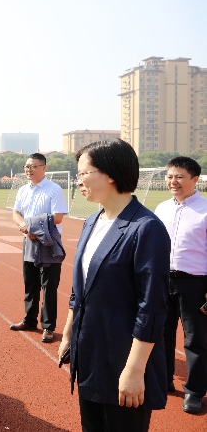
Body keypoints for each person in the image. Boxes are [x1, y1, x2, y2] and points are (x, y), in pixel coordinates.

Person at [59, 139, 169, 432]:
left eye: (83, 173)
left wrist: (134, 370)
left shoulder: (146, 228)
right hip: (91, 354)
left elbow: (152, 307)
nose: (78, 181)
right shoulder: (92, 221)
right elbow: (80, 289)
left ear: (109, 174)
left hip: (123, 359)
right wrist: (68, 334)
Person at [154, 156, 207, 414]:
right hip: (162, 280)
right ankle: (163, 381)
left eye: (179, 177)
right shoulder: (162, 208)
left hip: (195, 283)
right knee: (161, 334)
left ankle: (194, 392)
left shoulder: (205, 210)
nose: (173, 181)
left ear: (195, 179)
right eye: (170, 177)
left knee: (196, 339)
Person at [10, 153, 68, 343]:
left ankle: (48, 327)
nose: (29, 170)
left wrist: (32, 227)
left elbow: (57, 217)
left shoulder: (54, 190)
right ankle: (29, 320)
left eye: (34, 166)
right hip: (29, 240)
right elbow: (16, 213)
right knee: (30, 284)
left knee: (49, 286)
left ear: (44, 168)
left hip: (49, 242)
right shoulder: (22, 190)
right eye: (27, 166)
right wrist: (24, 227)